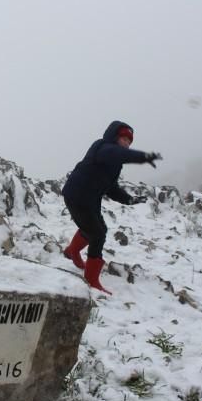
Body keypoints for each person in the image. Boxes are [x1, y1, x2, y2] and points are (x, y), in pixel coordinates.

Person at [61, 121, 161, 295]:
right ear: (114, 136)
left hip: (89, 199)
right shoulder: (103, 148)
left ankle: (71, 251)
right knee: (97, 234)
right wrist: (143, 157)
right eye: (124, 138)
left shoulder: (114, 164)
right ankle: (91, 280)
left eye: (129, 141)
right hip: (77, 196)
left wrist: (130, 200)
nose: (126, 144)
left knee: (97, 228)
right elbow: (117, 153)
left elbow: (112, 189)